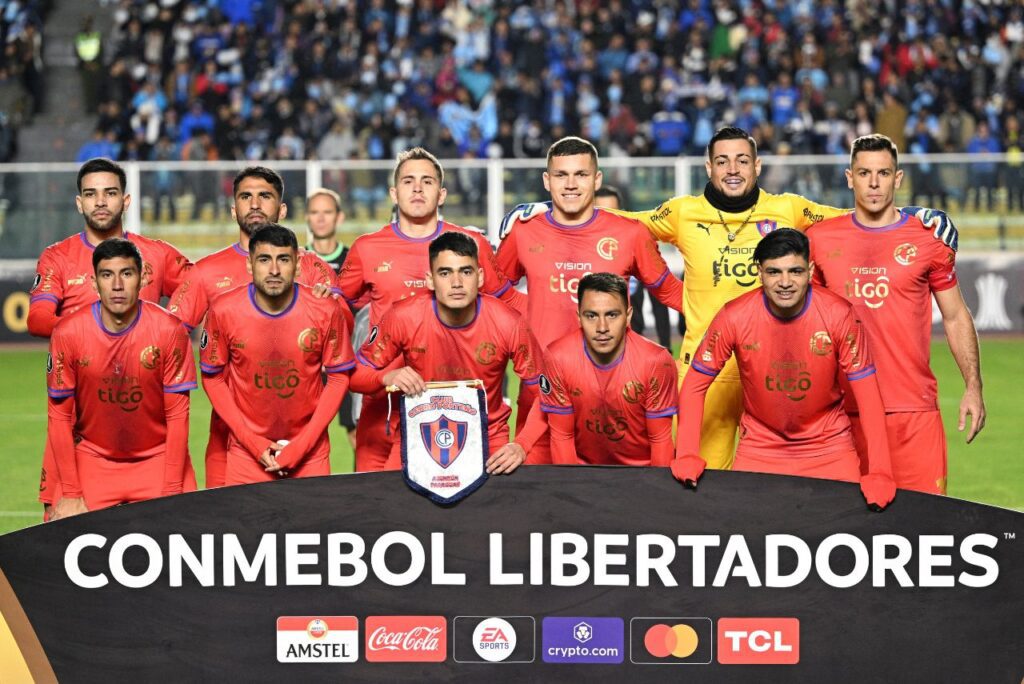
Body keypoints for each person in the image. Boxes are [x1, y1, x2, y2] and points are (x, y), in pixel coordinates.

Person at [503, 126, 957, 471]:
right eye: (723, 161)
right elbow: (622, 220)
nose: (733, 169)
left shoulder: (790, 209)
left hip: (780, 364)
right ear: (709, 168)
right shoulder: (682, 213)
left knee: (789, 476)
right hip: (707, 369)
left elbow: (859, 214)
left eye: (742, 160)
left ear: (757, 167)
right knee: (697, 475)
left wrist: (918, 215)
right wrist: (544, 212)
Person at [808, 134, 985, 495]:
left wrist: (973, 386)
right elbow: (807, 323)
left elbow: (954, 316)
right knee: (844, 534)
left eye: (883, 173)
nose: (874, 183)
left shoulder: (928, 238)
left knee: (922, 531)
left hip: (912, 411)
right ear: (849, 177)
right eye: (864, 173)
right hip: (842, 412)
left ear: (898, 178)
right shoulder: (820, 239)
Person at [671, 229, 896, 510]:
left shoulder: (840, 315)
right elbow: (694, 385)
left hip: (829, 448)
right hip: (760, 448)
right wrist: (688, 453)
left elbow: (868, 396)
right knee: (752, 541)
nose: (785, 282)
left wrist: (880, 471)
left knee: (840, 541)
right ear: (759, 272)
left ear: (810, 270)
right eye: (774, 272)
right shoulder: (734, 316)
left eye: (796, 271)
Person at [495, 136, 684, 463]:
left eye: (581, 175)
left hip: (613, 397)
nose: (570, 184)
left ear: (597, 180)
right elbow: (494, 293)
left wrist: (723, 317)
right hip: (540, 392)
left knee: (615, 500)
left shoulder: (630, 233)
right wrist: (532, 310)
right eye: (560, 175)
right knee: (541, 501)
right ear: (546, 180)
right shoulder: (524, 232)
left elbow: (669, 290)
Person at [338, 147, 525, 472]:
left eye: (427, 181)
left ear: (442, 194)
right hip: (383, 400)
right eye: (408, 181)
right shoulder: (367, 248)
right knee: (375, 510)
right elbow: (334, 309)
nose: (417, 188)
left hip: (454, 403)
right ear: (394, 194)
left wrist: (565, 311)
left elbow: (508, 305)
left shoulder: (471, 244)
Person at [29, 157, 191, 516]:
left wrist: (173, 327)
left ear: (126, 200)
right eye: (91, 194)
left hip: (147, 420)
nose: (100, 201)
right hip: (78, 423)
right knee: (60, 533)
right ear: (79, 203)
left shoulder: (156, 253)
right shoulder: (58, 257)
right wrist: (85, 335)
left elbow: (200, 286)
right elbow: (38, 316)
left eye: (110, 192)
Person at [168, 166, 338, 488]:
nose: (255, 204)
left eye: (265, 196)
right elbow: (168, 334)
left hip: (304, 440)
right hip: (228, 440)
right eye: (246, 197)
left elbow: (339, 341)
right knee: (233, 534)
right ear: (234, 209)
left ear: (282, 209)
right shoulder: (206, 272)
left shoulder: (313, 269)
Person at [351, 231, 541, 474]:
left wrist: (521, 445)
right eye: (445, 273)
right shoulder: (403, 316)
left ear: (480, 276)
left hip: (488, 439)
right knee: (391, 508)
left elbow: (547, 395)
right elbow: (354, 375)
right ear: (430, 280)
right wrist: (385, 377)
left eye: (466, 271)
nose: (457, 283)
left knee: (496, 511)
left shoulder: (509, 322)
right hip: (417, 435)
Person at [46, 238, 197, 519]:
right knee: (55, 538)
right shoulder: (67, 333)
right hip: (95, 459)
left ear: (142, 279)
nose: (117, 285)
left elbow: (178, 416)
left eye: (126, 274)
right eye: (107, 275)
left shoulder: (169, 330)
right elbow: (59, 416)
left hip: (157, 457)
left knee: (186, 539)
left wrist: (173, 491)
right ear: (94, 282)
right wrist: (70, 493)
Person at [200, 224, 354, 485]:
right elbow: (212, 378)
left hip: (310, 455)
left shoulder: (325, 309)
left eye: (283, 259)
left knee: (311, 526)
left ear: (296, 265)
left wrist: (302, 445)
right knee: (245, 527)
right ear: (249, 265)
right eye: (264, 259)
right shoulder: (223, 310)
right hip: (246, 455)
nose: (273, 270)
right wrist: (253, 443)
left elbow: (339, 378)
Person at [538, 273, 677, 466]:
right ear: (579, 317)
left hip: (641, 477)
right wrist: (570, 492)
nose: (602, 327)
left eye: (612, 315)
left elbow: (660, 440)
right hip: (584, 475)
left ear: (628, 316)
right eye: (591, 315)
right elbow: (562, 436)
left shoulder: (657, 361)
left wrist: (655, 493)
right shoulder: (557, 357)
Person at [304, 187, 359, 447]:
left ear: (340, 217)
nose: (321, 218)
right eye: (315, 212)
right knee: (302, 435)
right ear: (307, 218)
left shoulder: (353, 260)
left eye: (327, 212)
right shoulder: (294, 262)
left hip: (348, 361)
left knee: (358, 433)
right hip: (308, 365)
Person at [594, 186, 673, 348]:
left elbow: (659, 299)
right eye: (601, 212)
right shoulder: (577, 247)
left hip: (630, 341)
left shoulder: (636, 245)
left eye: (613, 212)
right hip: (589, 339)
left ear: (623, 213)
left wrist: (666, 345)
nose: (607, 218)